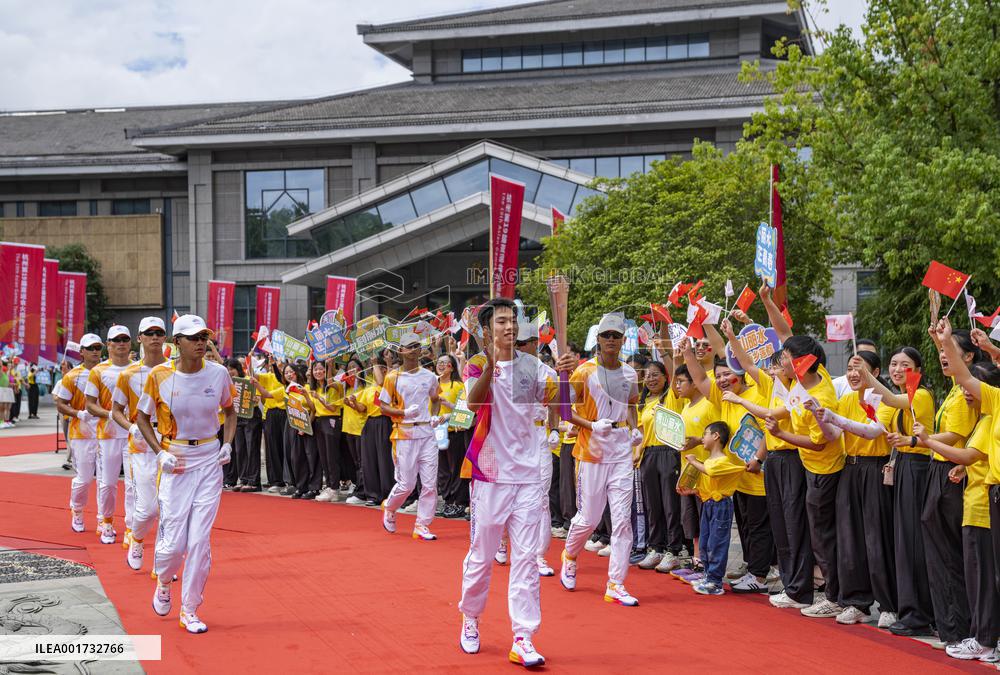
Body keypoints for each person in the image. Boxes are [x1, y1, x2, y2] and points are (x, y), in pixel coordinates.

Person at [457, 298, 572, 667]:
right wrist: (491, 367)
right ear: (488, 331)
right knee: (482, 554)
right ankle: (471, 616)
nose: (509, 327)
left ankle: (523, 636)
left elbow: (561, 406)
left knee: (525, 558)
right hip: (490, 474)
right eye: (502, 322)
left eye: (513, 321)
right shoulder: (476, 365)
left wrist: (566, 375)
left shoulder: (534, 367)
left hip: (526, 475)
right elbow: (473, 407)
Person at [138, 314, 236, 634]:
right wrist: (161, 452)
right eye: (193, 337)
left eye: (203, 337)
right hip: (176, 461)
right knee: (172, 546)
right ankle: (164, 581)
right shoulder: (159, 376)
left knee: (199, 541)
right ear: (176, 342)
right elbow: (141, 418)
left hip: (209, 460)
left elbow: (230, 410)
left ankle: (190, 608)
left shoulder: (219, 373)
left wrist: (228, 445)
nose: (200, 343)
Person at [914, 360, 1000, 662]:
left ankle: (986, 639)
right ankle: (985, 638)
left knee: (983, 578)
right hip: (977, 502)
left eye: (972, 385)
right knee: (981, 576)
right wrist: (964, 468)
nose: (965, 390)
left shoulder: (990, 416)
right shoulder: (986, 418)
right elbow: (977, 457)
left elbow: (968, 452)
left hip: (982, 506)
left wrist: (924, 440)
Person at [683, 325, 774, 594]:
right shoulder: (724, 399)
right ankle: (751, 566)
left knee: (758, 526)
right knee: (745, 525)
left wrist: (758, 459)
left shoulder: (757, 393)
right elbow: (700, 379)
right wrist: (688, 354)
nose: (721, 380)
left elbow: (768, 429)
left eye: (727, 375)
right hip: (736, 477)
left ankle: (759, 574)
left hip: (757, 474)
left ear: (741, 374)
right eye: (719, 376)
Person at [560, 311, 642, 607]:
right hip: (592, 449)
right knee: (590, 518)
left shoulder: (631, 374)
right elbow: (565, 411)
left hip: (620, 450)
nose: (610, 340)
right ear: (598, 340)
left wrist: (635, 430)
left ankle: (616, 583)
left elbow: (632, 406)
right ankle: (569, 555)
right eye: (606, 335)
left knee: (622, 521)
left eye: (615, 336)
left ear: (622, 340)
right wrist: (591, 425)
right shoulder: (583, 372)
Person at [810, 351, 897, 626]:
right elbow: (834, 435)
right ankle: (856, 602)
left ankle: (888, 605)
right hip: (850, 468)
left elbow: (873, 431)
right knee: (849, 538)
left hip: (875, 468)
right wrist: (819, 416)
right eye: (850, 368)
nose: (853, 373)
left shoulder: (884, 398)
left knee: (876, 537)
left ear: (876, 371)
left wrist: (835, 418)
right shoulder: (846, 399)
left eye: (860, 368)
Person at [764, 336, 845, 619]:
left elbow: (819, 442)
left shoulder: (818, 395)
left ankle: (834, 598)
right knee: (816, 535)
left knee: (823, 537)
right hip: (811, 468)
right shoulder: (806, 380)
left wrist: (781, 435)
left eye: (786, 357)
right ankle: (821, 593)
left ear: (802, 362)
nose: (781, 361)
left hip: (825, 470)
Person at [857, 345, 936, 635]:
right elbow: (874, 417)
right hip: (901, 465)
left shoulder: (921, 395)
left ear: (917, 370)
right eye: (894, 364)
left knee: (912, 541)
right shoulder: (901, 398)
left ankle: (919, 614)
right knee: (901, 541)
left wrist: (867, 375)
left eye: (905, 365)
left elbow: (889, 397)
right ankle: (909, 609)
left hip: (917, 469)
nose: (897, 369)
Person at [111, 317, 167, 571]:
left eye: (159, 332)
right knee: (148, 509)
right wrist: (132, 427)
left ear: (165, 337)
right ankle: (137, 537)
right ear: (140, 338)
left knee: (170, 509)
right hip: (141, 446)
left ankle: (163, 561)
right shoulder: (128, 374)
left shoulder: (175, 370)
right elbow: (116, 410)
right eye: (149, 333)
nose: (155, 337)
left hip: (171, 442)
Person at [379, 332, 442, 540]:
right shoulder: (392, 377)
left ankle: (422, 524)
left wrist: (434, 416)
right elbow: (383, 407)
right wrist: (403, 413)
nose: (414, 349)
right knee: (406, 484)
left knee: (430, 483)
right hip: (404, 432)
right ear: (401, 351)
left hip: (427, 433)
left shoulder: (430, 376)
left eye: (416, 346)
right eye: (409, 346)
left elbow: (436, 398)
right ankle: (390, 507)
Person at [86, 325, 135, 545]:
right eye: (117, 340)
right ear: (109, 345)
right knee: (108, 483)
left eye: (125, 339)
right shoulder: (98, 371)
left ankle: (132, 527)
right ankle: (106, 521)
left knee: (134, 484)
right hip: (107, 435)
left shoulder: (139, 369)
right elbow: (90, 405)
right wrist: (112, 415)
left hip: (134, 435)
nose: (121, 343)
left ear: (131, 343)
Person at [635, 358, 685, 571]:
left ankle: (673, 550)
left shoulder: (671, 397)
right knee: (652, 504)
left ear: (666, 377)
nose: (651, 379)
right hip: (649, 456)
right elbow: (641, 433)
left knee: (670, 504)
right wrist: (637, 454)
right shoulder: (643, 403)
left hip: (669, 452)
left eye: (655, 374)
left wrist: (664, 339)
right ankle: (656, 547)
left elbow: (674, 369)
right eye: (647, 375)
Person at [684, 421, 742, 595]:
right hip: (708, 504)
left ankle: (715, 581)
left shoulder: (721, 461)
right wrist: (691, 490)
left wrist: (694, 461)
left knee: (717, 543)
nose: (702, 438)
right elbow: (706, 483)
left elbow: (711, 472)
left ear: (716, 436)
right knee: (705, 543)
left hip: (720, 505)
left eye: (705, 434)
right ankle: (708, 576)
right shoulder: (710, 460)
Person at [53, 334, 104, 533]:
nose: (94, 351)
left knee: (105, 480)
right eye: (90, 348)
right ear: (81, 351)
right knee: (84, 478)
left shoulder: (108, 371)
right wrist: (78, 414)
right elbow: (60, 404)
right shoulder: (72, 376)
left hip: (106, 434)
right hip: (81, 434)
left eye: (97, 347)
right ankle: (78, 509)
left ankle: (103, 519)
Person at [436, 354, 469, 518]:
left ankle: (459, 502)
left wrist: (448, 410)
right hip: (436, 432)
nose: (441, 365)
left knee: (455, 468)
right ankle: (447, 500)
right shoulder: (432, 384)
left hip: (454, 432)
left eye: (445, 363)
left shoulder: (457, 385)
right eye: (439, 362)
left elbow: (464, 408)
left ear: (452, 367)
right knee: (442, 470)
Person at [253, 357, 287, 493]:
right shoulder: (268, 376)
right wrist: (252, 360)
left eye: (282, 363)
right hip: (271, 414)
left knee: (285, 447)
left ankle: (287, 479)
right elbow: (254, 376)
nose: (279, 365)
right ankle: (275, 480)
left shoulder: (287, 380)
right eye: (276, 363)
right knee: (272, 448)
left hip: (285, 413)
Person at [310, 359, 343, 502]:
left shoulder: (333, 387)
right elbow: (313, 407)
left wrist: (320, 398)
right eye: (315, 369)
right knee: (324, 456)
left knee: (331, 456)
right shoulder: (315, 387)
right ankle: (329, 485)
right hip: (319, 421)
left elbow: (332, 408)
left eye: (320, 369)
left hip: (331, 421)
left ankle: (334, 488)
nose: (318, 372)